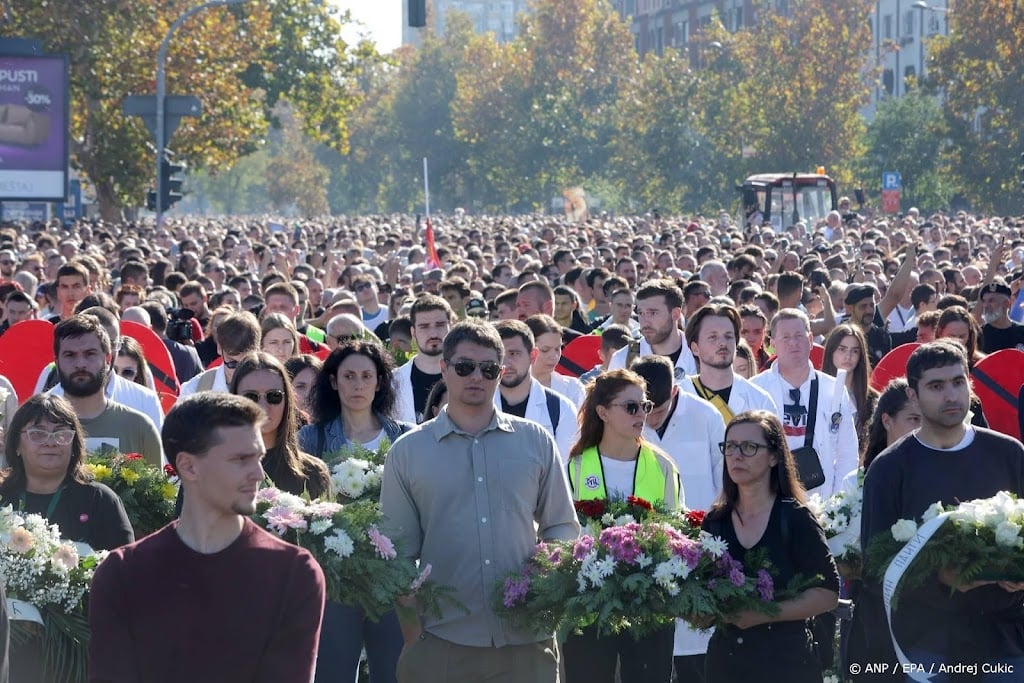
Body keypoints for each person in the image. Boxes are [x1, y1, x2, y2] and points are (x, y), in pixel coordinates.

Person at [381, 319, 579, 683]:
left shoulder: (535, 441)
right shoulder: (408, 452)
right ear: (444, 368)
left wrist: (543, 587)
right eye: (464, 367)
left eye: (488, 369)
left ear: (501, 373)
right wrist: (414, 633)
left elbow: (562, 527)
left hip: (527, 641)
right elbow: (397, 555)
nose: (476, 376)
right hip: (442, 641)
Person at [89, 392, 327, 682]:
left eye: (258, 458)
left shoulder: (294, 573)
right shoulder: (123, 573)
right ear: (189, 466)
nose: (258, 473)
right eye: (241, 459)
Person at [855, 341, 1024, 681]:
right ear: (913, 396)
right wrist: (939, 580)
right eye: (936, 386)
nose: (950, 395)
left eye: (958, 382)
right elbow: (875, 568)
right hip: (926, 641)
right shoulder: (889, 469)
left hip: (1006, 638)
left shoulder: (1009, 454)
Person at [699, 410, 840, 683]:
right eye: (730, 446)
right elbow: (705, 593)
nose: (736, 455)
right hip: (727, 664)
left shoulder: (796, 517)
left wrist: (763, 615)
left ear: (774, 456)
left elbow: (828, 593)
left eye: (749, 447)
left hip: (787, 663)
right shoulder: (715, 521)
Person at [562, 369, 680, 682]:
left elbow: (677, 533)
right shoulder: (574, 467)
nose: (641, 413)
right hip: (589, 604)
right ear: (603, 412)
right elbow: (562, 536)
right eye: (631, 407)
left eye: (645, 406)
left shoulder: (663, 466)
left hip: (649, 605)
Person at [628, 355, 725, 681]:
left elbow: (726, 483)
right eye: (644, 408)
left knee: (697, 655)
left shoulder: (706, 416)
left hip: (699, 553)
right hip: (642, 555)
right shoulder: (624, 420)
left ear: (675, 392)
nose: (650, 419)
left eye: (658, 409)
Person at [1, 394, 133, 550]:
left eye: (61, 434)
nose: (51, 442)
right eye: (38, 434)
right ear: (16, 444)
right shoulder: (3, 496)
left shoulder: (100, 500)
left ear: (74, 444)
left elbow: (126, 568)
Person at [751, 309, 859, 496]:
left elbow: (847, 453)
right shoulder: (755, 390)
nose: (793, 343)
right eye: (785, 338)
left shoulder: (833, 388)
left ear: (810, 340)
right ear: (773, 344)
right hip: (770, 496)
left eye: (799, 336)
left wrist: (839, 503)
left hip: (822, 498)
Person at [50, 314, 164, 465]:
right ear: (56, 362)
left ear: (108, 359)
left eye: (90, 354)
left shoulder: (141, 428)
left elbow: (158, 486)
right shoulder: (33, 428)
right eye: (70, 355)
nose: (80, 364)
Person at [229, 353, 330, 499]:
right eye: (251, 397)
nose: (263, 407)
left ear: (287, 401)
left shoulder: (314, 473)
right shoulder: (212, 472)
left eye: (274, 396)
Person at [299, 340, 412, 459]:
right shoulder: (310, 438)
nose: (358, 385)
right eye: (349, 376)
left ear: (378, 383)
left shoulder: (406, 435)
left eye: (366, 376)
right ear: (334, 382)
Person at [493, 320, 578, 464]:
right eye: (499, 354)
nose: (505, 363)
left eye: (514, 353)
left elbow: (563, 472)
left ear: (533, 355)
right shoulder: (475, 406)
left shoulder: (561, 409)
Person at [680, 303, 777, 425]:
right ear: (695, 348)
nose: (722, 343)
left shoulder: (760, 400)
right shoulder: (678, 397)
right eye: (713, 337)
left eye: (728, 336)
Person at [607, 279, 697, 379]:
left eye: (653, 313)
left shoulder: (699, 355)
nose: (645, 321)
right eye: (641, 313)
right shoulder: (623, 359)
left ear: (675, 314)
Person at [392, 295, 454, 424]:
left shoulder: (471, 374)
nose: (433, 334)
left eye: (440, 325)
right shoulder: (393, 382)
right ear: (413, 332)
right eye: (424, 326)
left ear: (451, 326)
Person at [178, 310, 261, 398]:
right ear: (219, 348)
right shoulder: (194, 389)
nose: (239, 371)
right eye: (233, 364)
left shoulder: (272, 386)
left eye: (246, 363)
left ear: (258, 350)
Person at [821, 324, 878, 449]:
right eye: (842, 349)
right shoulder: (817, 391)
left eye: (855, 351)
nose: (848, 356)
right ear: (831, 351)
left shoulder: (873, 400)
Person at [978, 281, 1024, 353]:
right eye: (984, 301)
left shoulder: (1021, 331)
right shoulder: (979, 334)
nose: (986, 305)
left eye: (991, 301)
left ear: (1006, 303)